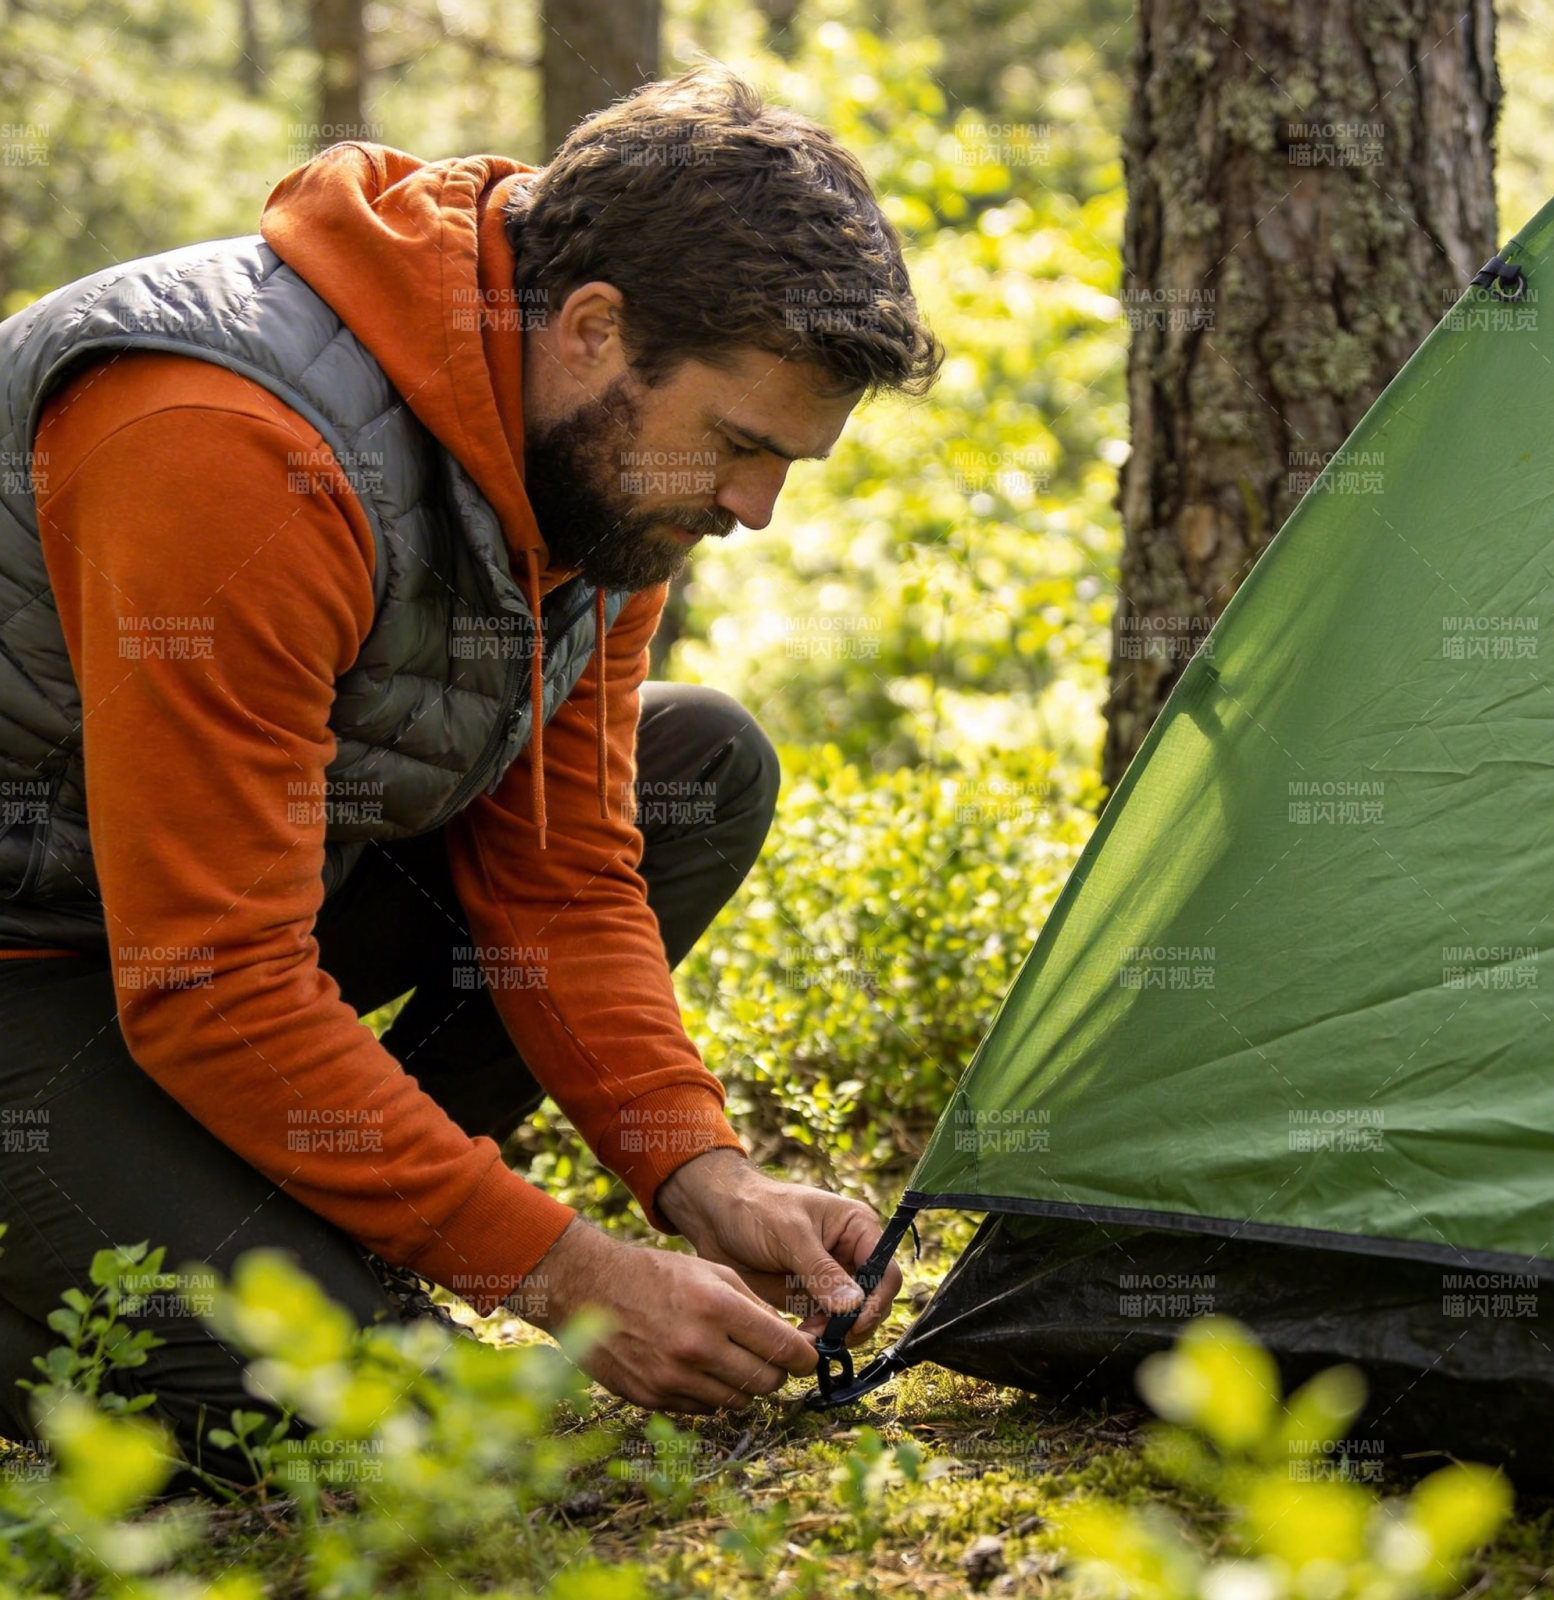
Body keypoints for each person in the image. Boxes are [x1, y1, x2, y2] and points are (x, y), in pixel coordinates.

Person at [0, 64, 942, 1473]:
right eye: (740, 446)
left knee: (705, 764)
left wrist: (703, 1173)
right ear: (591, 327)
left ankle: (250, 1215)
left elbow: (558, 875)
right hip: (48, 962)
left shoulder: (601, 475)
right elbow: (213, 980)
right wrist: (564, 1273)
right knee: (402, 1431)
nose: (756, 509)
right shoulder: (225, 443)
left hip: (177, 926)